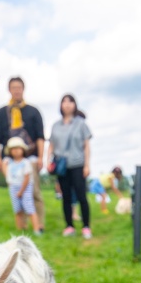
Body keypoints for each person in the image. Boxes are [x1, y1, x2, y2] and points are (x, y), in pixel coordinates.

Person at [0, 77, 46, 229]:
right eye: (13, 87)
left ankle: (39, 224)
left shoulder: (33, 111)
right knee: (16, 190)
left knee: (34, 191)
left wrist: (41, 157)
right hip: (9, 160)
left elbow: (40, 136)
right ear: (9, 90)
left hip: (31, 157)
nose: (16, 90)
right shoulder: (1, 113)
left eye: (19, 87)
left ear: (23, 89)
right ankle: (23, 226)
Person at [48, 94, 93, 239]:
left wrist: (87, 165)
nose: (67, 104)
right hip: (62, 166)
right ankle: (69, 226)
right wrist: (48, 160)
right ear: (60, 105)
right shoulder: (56, 125)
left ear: (75, 105)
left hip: (78, 164)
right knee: (65, 197)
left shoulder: (80, 124)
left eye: (70, 101)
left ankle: (86, 226)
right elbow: (52, 145)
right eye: (64, 102)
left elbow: (86, 146)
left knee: (81, 195)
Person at [3, 137, 41, 235]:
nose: (16, 151)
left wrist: (21, 191)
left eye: (18, 148)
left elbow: (27, 178)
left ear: (23, 149)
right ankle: (20, 229)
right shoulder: (9, 164)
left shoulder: (26, 163)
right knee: (17, 209)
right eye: (13, 149)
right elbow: (8, 176)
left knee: (29, 208)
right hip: (13, 188)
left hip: (25, 188)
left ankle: (37, 229)